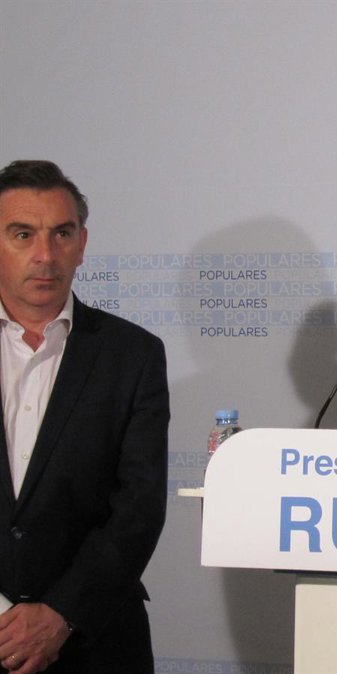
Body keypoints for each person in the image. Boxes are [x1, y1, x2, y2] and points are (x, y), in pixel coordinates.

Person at [0, 160, 169, 673]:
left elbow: (138, 506)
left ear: (83, 243)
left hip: (96, 641)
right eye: (23, 234)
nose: (45, 255)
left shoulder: (133, 354)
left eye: (62, 233)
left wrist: (61, 614)